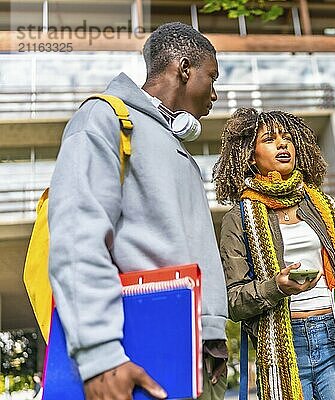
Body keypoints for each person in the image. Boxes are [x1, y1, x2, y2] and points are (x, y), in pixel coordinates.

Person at [48, 22, 228, 400]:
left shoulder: (168, 141)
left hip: (195, 351)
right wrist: (100, 354)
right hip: (139, 348)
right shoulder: (105, 117)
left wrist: (212, 336)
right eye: (211, 77)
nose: (215, 92)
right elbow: (78, 234)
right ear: (183, 69)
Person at [214, 108, 335, 400]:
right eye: (270, 139)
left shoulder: (324, 207)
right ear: (250, 156)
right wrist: (276, 287)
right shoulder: (238, 218)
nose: (283, 144)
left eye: (288, 139)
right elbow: (233, 301)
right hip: (282, 345)